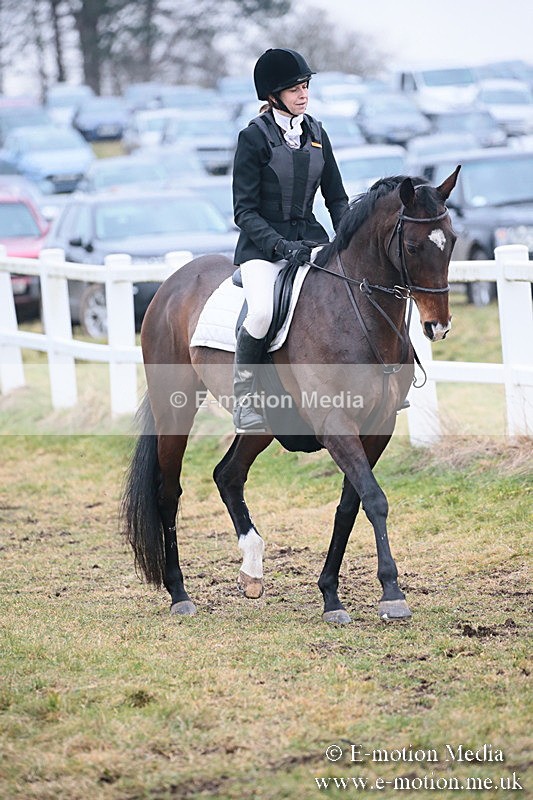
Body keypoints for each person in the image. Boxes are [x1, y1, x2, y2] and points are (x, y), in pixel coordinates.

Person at [231, 47, 349, 433]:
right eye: (295, 88)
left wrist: (347, 239)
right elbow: (244, 212)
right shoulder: (252, 138)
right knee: (262, 312)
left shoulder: (316, 133)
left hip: (310, 241)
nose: (303, 94)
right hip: (263, 250)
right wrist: (280, 248)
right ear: (272, 94)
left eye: (305, 86)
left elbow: (336, 197)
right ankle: (245, 398)